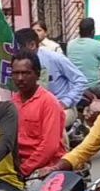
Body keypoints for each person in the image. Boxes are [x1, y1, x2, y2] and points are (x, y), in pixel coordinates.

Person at [11, 50, 66, 180]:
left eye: (25, 73)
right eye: (16, 73)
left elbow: (49, 146)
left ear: (37, 74)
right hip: (17, 168)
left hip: (45, 169)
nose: (20, 78)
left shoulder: (48, 102)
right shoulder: (12, 102)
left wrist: (24, 169)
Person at [14, 27, 87, 124]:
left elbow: (80, 80)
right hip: (32, 109)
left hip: (62, 108)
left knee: (52, 123)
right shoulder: (17, 65)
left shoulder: (55, 58)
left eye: (19, 47)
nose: (16, 51)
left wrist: (66, 102)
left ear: (32, 45)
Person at [66, 18, 100, 85]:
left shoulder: (70, 44)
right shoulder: (96, 45)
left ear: (79, 31)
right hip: (93, 85)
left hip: (75, 84)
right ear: (93, 31)